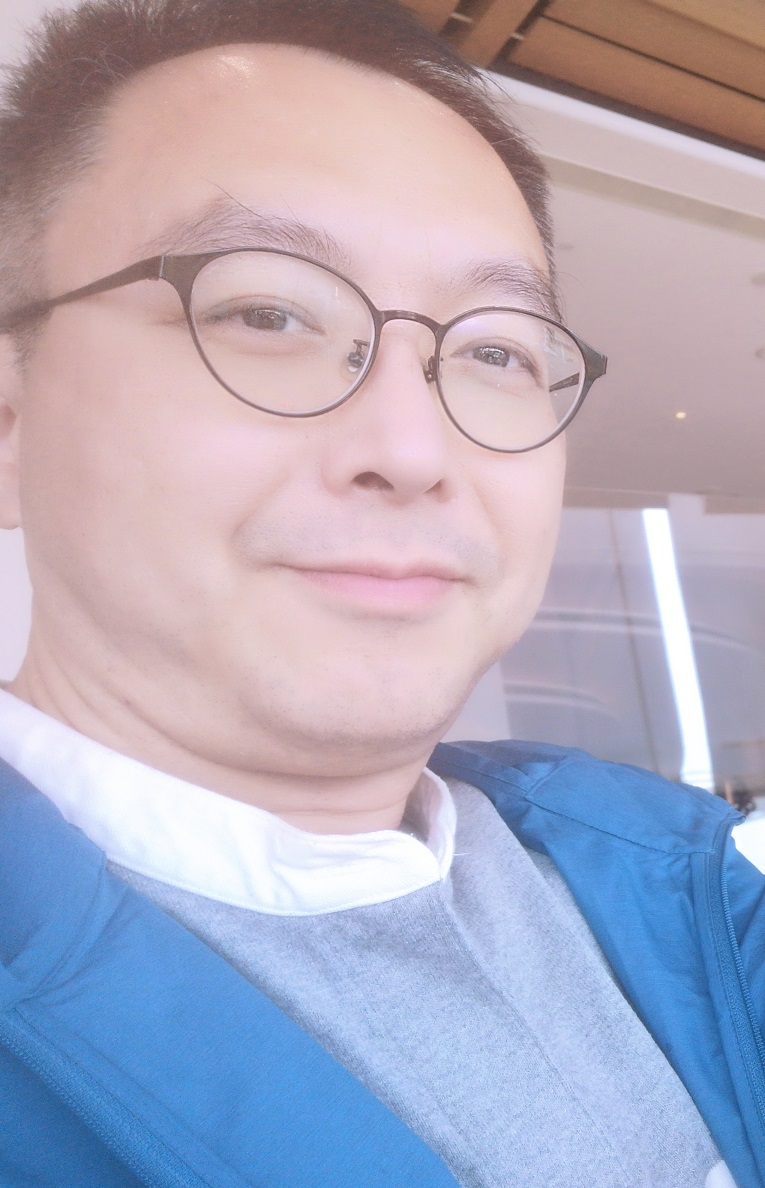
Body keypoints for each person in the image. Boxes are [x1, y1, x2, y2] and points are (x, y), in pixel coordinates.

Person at [0, 1, 761, 1185]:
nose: (413, 448)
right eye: (267, 312)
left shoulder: (693, 880)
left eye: (497, 349)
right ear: (11, 415)